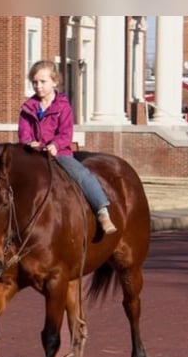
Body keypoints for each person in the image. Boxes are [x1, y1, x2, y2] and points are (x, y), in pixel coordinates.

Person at [18, 60, 117, 235]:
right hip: (33, 154)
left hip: (59, 153)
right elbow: (24, 132)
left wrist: (55, 145)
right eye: (34, 82)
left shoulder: (63, 106)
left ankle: (102, 212)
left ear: (54, 82)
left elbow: (66, 133)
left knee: (81, 174)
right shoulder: (28, 108)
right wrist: (28, 143)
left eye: (43, 82)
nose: (38, 86)